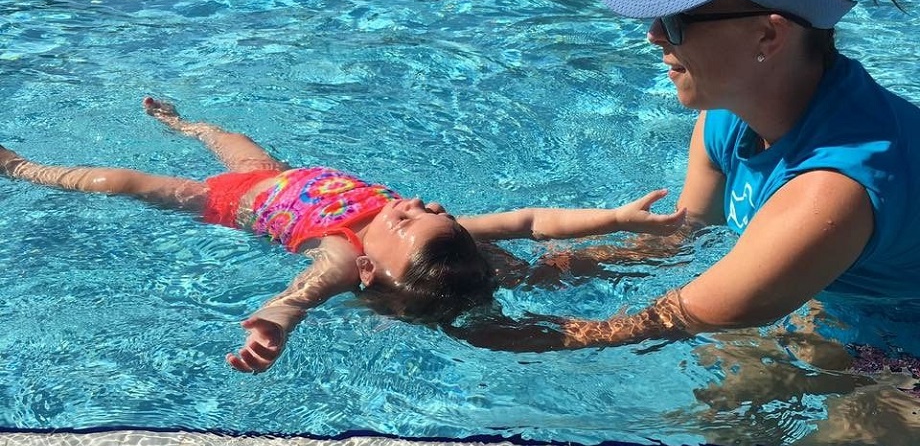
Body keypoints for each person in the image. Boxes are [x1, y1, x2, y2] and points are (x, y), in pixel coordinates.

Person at [455, 0, 920, 353]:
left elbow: (670, 318)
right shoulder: (730, 115)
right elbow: (681, 236)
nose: (654, 34)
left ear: (768, 37)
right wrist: (520, 271)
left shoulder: (832, 193)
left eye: (677, 16)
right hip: (843, 300)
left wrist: (463, 323)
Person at [0, 97, 686, 373]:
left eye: (407, 217)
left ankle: (27, 167)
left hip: (244, 195)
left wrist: (277, 316)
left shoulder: (342, 254)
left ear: (370, 270)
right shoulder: (442, 237)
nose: (414, 201)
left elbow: (304, 291)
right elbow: (533, 220)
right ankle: (187, 124)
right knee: (522, 260)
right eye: (426, 206)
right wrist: (617, 215)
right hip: (286, 173)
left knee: (129, 181)